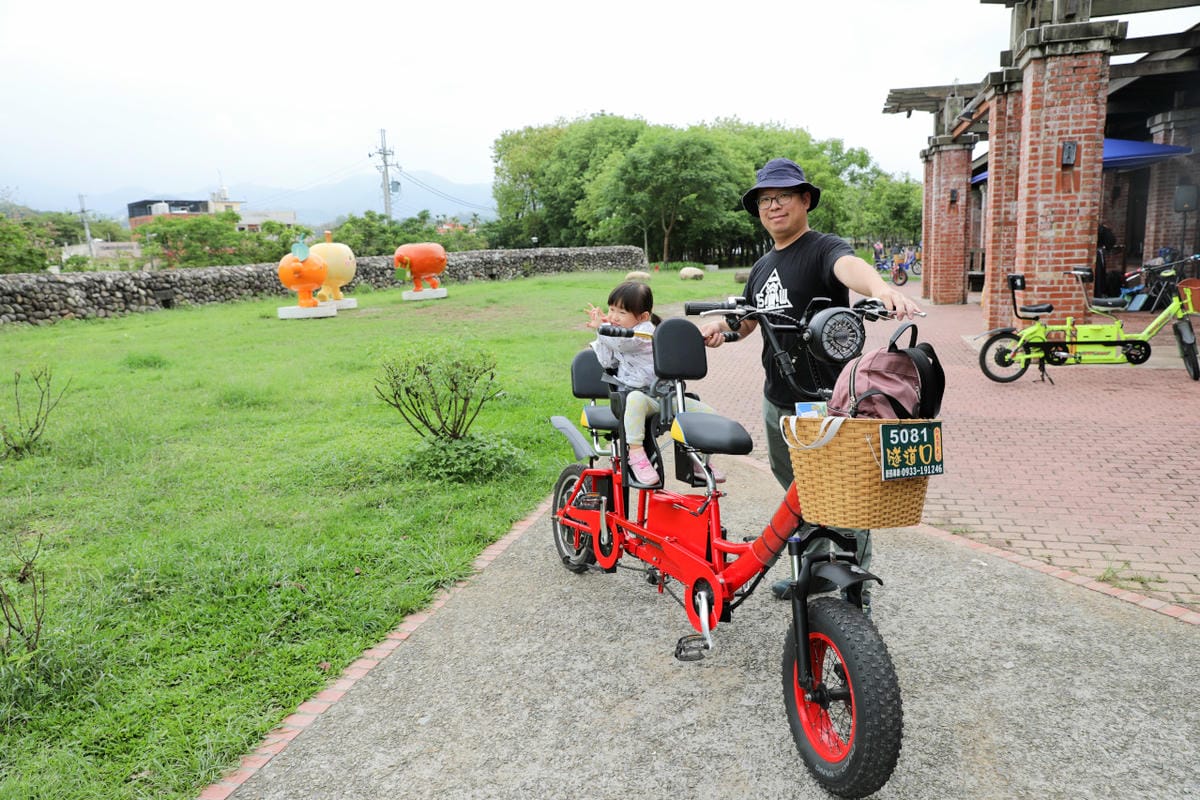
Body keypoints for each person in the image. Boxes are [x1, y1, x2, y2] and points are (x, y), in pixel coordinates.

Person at [698, 158, 922, 602]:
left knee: (842, 498)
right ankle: (815, 575)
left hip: (827, 402)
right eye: (765, 199)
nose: (773, 206)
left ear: (805, 200)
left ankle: (852, 589)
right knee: (797, 494)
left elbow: (850, 267)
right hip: (778, 399)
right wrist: (721, 331)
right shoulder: (762, 267)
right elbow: (747, 322)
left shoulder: (822, 248)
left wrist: (879, 290)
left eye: (783, 196)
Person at [587, 281, 723, 486]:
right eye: (611, 309)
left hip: (667, 397)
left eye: (621, 312)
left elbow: (625, 343)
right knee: (634, 399)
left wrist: (603, 329)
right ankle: (636, 455)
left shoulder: (644, 332)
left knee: (708, 414)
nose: (613, 316)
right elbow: (607, 361)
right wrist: (601, 333)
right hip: (639, 398)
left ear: (643, 316)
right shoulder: (616, 332)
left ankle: (698, 460)